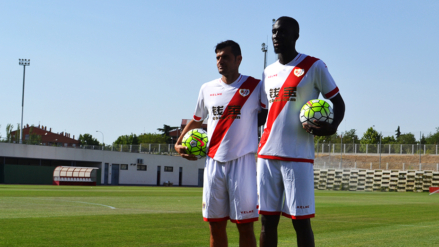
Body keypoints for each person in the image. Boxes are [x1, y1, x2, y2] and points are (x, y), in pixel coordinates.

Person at [257, 17, 346, 247]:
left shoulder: (313, 66)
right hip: (266, 155)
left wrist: (332, 127)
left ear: (296, 36)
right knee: (267, 221)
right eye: (274, 32)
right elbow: (263, 114)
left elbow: (338, 102)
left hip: (298, 156)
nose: (276, 36)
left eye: (283, 32)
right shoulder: (268, 72)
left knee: (301, 222)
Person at [175, 40, 268, 247]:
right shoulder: (207, 88)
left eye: (225, 57)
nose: (220, 61)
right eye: (217, 57)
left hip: (242, 163)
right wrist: (178, 143)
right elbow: (197, 119)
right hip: (213, 163)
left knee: (245, 226)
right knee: (215, 226)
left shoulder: (254, 86)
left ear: (238, 59)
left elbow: (268, 115)